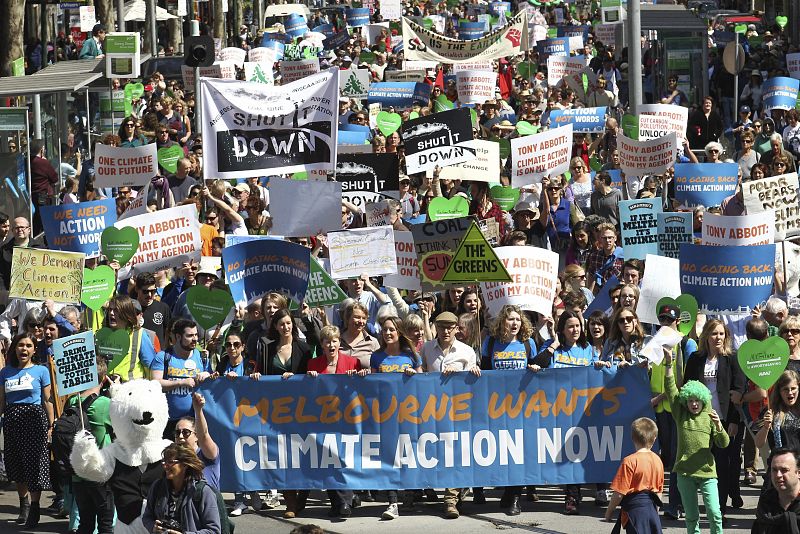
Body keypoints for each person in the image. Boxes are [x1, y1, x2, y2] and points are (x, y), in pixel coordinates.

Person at [683, 319, 746, 520]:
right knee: (701, 466)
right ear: (706, 336)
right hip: (700, 422)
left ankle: (720, 510)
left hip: (724, 421)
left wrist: (734, 420)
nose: (718, 337)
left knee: (722, 465)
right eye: (714, 333)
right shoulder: (695, 358)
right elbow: (687, 387)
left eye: (721, 334)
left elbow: (739, 390)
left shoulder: (732, 358)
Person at [479, 305, 538, 515]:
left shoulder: (528, 343)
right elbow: (485, 371)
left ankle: (515, 497)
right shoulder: (491, 343)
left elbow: (536, 370)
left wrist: (535, 367)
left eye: (518, 320)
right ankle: (507, 491)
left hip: (522, 407)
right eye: (511, 319)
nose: (515, 323)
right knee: (502, 452)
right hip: (497, 407)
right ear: (502, 321)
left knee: (518, 452)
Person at [663, 347, 728, 534]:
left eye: (697, 400)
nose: (693, 404)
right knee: (692, 517)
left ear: (703, 400)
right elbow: (671, 389)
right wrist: (668, 364)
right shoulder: (680, 414)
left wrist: (718, 425)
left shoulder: (710, 416)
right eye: (690, 400)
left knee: (715, 513)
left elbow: (723, 443)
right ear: (685, 401)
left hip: (707, 473)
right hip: (685, 473)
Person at [306, 325, 368, 518]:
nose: (331, 345)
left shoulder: (353, 362)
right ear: (322, 345)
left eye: (334, 341)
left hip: (346, 419)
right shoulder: (313, 364)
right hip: (323, 419)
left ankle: (345, 502)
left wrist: (359, 376)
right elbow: (308, 392)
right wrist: (310, 379)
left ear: (339, 343)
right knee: (328, 461)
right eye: (327, 341)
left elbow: (361, 388)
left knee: (343, 459)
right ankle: (336, 503)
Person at [370, 316, 422, 519]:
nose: (388, 333)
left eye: (392, 329)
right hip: (385, 415)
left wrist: (413, 374)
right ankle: (392, 502)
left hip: (409, 414)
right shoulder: (376, 357)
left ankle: (409, 495)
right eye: (385, 330)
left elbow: (424, 383)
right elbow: (372, 386)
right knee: (389, 457)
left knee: (408, 455)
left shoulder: (411, 355)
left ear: (399, 332)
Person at [0, 332, 54, 528]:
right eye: (21, 345)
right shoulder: (5, 372)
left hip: (34, 420)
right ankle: (23, 505)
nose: (24, 349)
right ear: (15, 348)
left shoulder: (41, 371)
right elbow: (1, 401)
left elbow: (47, 400)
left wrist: (51, 425)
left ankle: (35, 507)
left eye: (28, 346)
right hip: (12, 421)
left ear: (34, 350)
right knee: (15, 464)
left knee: (33, 464)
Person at [151, 319, 213, 437]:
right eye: (189, 335)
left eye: (196, 335)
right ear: (178, 337)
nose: (195, 339)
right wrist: (182, 382)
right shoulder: (163, 356)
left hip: (194, 421)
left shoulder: (202, 357)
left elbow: (213, 383)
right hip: (169, 422)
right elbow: (155, 384)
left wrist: (207, 375)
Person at [142, 443, 221, 534]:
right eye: (164, 461)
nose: (165, 466)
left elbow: (214, 531)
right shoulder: (157, 487)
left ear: (185, 465)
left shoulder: (203, 492)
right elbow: (147, 517)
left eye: (170, 462)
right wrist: (153, 527)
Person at [604, 417, 664, 534]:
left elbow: (619, 494)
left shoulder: (629, 461)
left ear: (632, 437)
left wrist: (609, 511)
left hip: (635, 512)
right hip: (651, 510)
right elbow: (659, 491)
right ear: (654, 438)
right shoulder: (658, 460)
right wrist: (655, 511)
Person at [752, 448, 800, 533]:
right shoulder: (766, 502)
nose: (778, 475)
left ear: (798, 473)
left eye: (784, 470)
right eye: (774, 470)